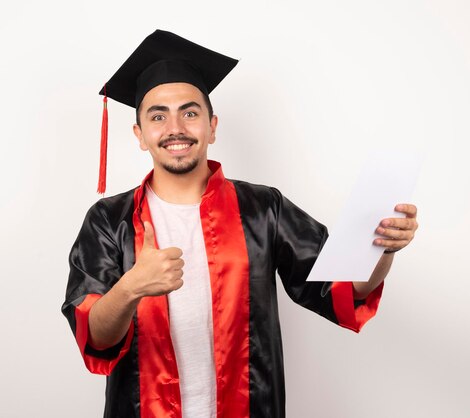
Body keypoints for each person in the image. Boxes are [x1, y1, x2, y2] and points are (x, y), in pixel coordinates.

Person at [61, 29, 419, 418]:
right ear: (140, 135)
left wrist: (382, 248)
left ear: (212, 126)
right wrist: (130, 287)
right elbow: (95, 335)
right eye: (158, 116)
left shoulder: (263, 208)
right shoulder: (108, 220)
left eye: (190, 112)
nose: (175, 127)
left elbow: (341, 288)